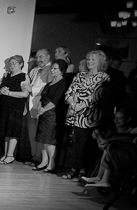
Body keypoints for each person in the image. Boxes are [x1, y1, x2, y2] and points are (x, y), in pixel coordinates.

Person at [61, 50, 110, 181]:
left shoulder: (103, 77)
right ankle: (72, 169)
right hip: (73, 115)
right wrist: (73, 103)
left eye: (93, 59)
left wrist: (81, 105)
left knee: (83, 145)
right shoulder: (80, 75)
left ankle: (82, 171)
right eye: (88, 59)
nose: (90, 62)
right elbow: (69, 92)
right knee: (73, 145)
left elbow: (96, 96)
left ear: (101, 62)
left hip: (88, 117)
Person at [0, 55, 30, 164]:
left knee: (12, 130)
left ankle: (10, 155)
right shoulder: (5, 76)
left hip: (16, 107)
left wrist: (10, 93)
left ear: (21, 64)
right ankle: (5, 154)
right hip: (4, 107)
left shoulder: (24, 76)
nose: (12, 65)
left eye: (14, 63)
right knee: (6, 131)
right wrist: (1, 91)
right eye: (10, 63)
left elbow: (25, 94)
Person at [33, 60, 68, 172]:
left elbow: (55, 101)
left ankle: (51, 163)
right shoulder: (49, 83)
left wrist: (43, 109)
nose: (52, 70)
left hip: (53, 114)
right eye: (52, 68)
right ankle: (44, 161)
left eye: (55, 69)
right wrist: (39, 107)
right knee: (43, 139)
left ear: (61, 70)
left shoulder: (63, 83)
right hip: (43, 113)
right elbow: (42, 96)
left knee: (50, 140)